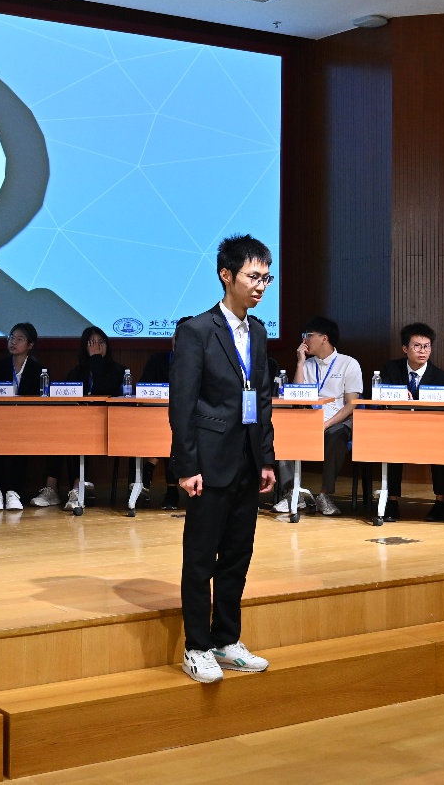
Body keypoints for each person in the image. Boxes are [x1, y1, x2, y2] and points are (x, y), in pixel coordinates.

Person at [170, 234, 276, 683]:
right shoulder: (196, 330)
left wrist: (266, 459)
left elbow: (263, 398)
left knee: (237, 554)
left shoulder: (258, 331)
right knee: (200, 557)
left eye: (266, 278)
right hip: (208, 463)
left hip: (247, 461)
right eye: (253, 276)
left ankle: (226, 640)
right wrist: (186, 466)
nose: (261, 286)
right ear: (226, 275)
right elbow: (182, 404)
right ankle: (196, 646)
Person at [275, 316, 362, 516]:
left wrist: (327, 423)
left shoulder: (349, 364)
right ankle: (292, 494)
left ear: (324, 338)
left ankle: (324, 494)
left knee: (337, 434)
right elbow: (296, 397)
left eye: (308, 335)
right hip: (309, 418)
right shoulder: (307, 364)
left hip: (338, 419)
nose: (304, 340)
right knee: (283, 433)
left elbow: (352, 404)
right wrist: (300, 363)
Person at [379, 323, 444, 522]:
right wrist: (397, 394)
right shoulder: (391, 369)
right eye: (417, 346)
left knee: (442, 445)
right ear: (405, 348)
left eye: (427, 346)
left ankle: (440, 502)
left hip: (430, 431)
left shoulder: (442, 377)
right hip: (397, 427)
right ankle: (392, 501)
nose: (422, 351)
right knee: (391, 445)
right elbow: (378, 395)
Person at [46, 326, 126, 511]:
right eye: (92, 343)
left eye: (100, 342)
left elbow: (102, 388)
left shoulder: (118, 370)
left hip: (107, 425)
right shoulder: (77, 372)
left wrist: (96, 359)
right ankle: (51, 488)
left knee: (79, 432)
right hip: (78, 424)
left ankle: (77, 488)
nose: (96, 347)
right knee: (56, 430)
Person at [0, 323, 45, 511]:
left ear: (30, 345)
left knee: (21, 439)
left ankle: (14, 492)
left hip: (26, 421)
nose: (13, 342)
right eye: (11, 337)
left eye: (19, 339)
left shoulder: (39, 371)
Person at [137, 316, 191, 509]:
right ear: (173, 338)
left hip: (191, 418)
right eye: (178, 335)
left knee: (176, 431)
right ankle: (170, 489)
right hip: (159, 417)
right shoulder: (158, 360)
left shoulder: (203, 361)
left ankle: (151, 468)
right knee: (168, 430)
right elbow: (143, 388)